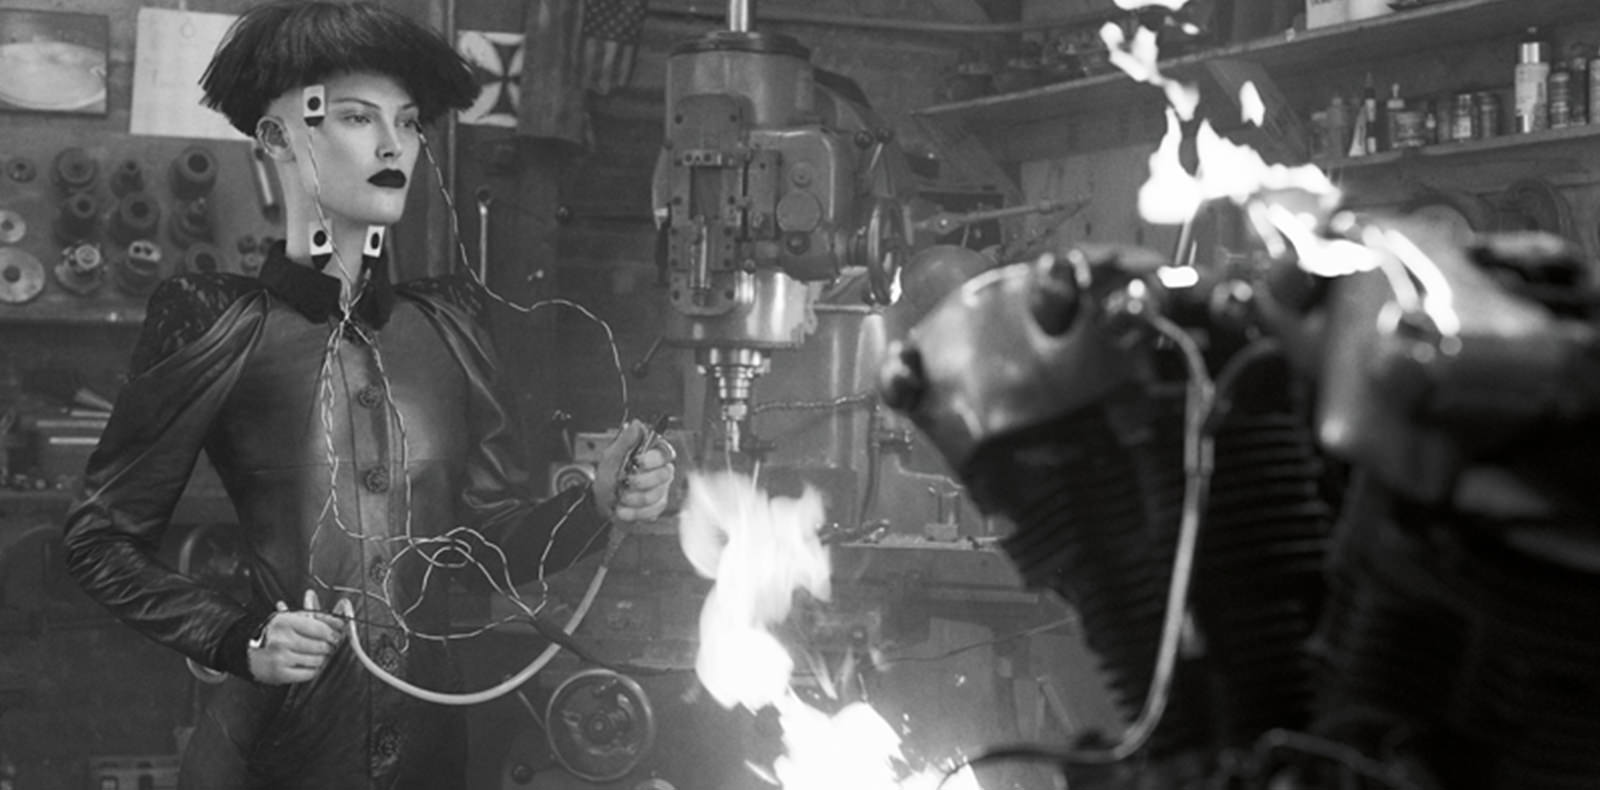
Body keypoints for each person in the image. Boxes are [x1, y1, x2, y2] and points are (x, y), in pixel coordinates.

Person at [61, 2, 675, 787]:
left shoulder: (448, 327)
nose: (393, 145)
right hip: (276, 754)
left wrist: (595, 504)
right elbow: (98, 539)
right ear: (277, 137)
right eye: (357, 117)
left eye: (409, 123)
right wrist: (239, 638)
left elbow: (482, 551)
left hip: (431, 755)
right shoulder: (217, 323)